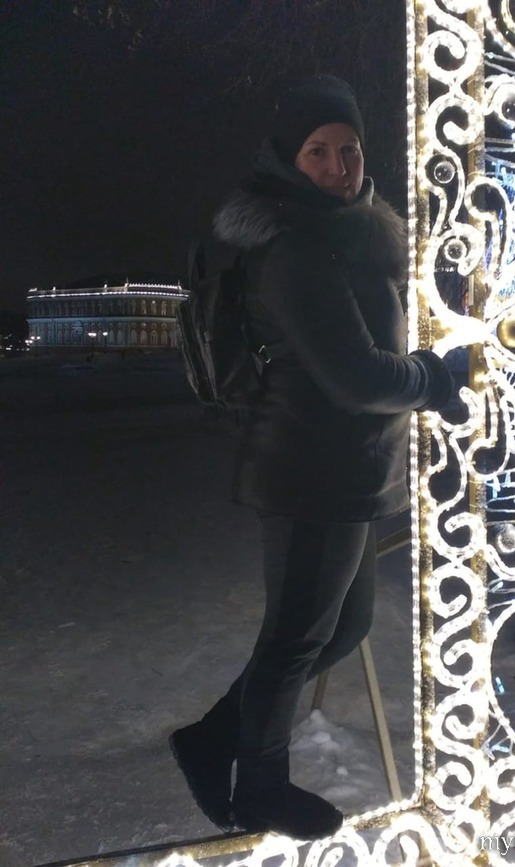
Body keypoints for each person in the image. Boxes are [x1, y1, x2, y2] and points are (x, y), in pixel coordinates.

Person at [170, 75, 453, 840]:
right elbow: (357, 375)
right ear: (289, 160)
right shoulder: (294, 244)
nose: (337, 167)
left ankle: (211, 737)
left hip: (351, 470)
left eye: (349, 150)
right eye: (318, 152)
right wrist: (435, 379)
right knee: (294, 637)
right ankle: (261, 784)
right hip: (307, 471)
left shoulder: (357, 228)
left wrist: (427, 375)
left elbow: (380, 348)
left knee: (343, 626)